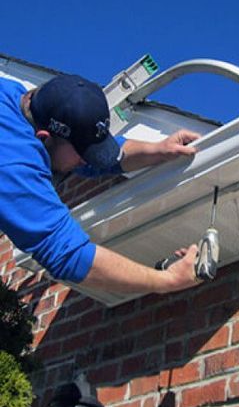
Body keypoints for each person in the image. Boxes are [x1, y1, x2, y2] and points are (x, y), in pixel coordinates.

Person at [0, 72, 202, 295]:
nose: (86, 161)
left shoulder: (18, 98)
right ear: (43, 137)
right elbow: (66, 254)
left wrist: (156, 150)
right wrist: (168, 280)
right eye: (82, 153)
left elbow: (93, 156)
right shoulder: (12, 162)